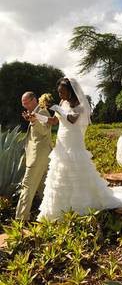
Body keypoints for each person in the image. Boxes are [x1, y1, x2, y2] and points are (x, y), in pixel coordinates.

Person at [37, 78, 122, 222]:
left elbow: (73, 119)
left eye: (63, 92)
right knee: (60, 170)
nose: (60, 95)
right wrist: (36, 118)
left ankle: (79, 205)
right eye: (59, 92)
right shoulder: (62, 103)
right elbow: (54, 121)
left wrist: (59, 109)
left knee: (76, 169)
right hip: (62, 140)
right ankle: (59, 210)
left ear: (71, 91)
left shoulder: (79, 104)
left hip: (74, 140)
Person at [15, 92, 52, 221]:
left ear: (34, 100)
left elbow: (44, 131)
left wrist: (34, 121)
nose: (24, 105)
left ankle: (20, 220)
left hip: (38, 157)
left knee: (27, 186)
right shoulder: (33, 114)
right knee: (44, 188)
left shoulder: (43, 112)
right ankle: (49, 216)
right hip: (40, 156)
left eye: (26, 102)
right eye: (23, 103)